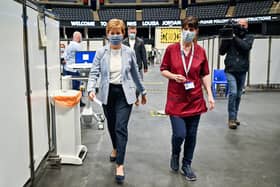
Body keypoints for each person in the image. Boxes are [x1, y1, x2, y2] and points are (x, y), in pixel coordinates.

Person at [87, 19, 147, 184]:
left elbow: (135, 73)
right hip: (107, 94)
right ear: (107, 34)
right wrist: (91, 88)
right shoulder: (101, 53)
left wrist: (142, 91)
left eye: (118, 33)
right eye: (112, 33)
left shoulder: (129, 52)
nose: (115, 36)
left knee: (121, 127)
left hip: (124, 94)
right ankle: (115, 147)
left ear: (123, 34)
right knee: (112, 126)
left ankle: (120, 164)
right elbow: (94, 72)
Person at [160, 16, 215, 181]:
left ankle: (187, 164)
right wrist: (173, 76)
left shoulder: (200, 52)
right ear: (181, 30)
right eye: (185, 28)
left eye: (191, 29)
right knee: (179, 134)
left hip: (195, 99)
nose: (188, 32)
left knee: (191, 135)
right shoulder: (171, 49)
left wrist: (210, 95)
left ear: (196, 32)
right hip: (176, 99)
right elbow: (163, 69)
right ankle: (175, 153)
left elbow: (204, 74)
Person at [219, 18, 254, 129]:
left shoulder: (249, 37)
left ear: (247, 26)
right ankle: (231, 119)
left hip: (242, 70)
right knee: (233, 92)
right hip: (230, 70)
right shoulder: (230, 36)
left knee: (238, 95)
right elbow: (221, 52)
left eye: (243, 25)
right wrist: (226, 38)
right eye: (239, 25)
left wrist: (234, 37)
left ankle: (235, 116)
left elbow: (245, 47)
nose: (241, 27)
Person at [123, 26, 148, 106]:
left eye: (134, 32)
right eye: (131, 32)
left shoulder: (140, 42)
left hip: (138, 67)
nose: (132, 34)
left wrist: (145, 66)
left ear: (136, 32)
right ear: (128, 32)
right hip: (127, 67)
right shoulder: (124, 42)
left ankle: (136, 96)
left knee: (139, 85)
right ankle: (129, 99)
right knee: (127, 84)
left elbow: (143, 54)